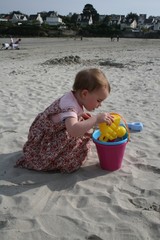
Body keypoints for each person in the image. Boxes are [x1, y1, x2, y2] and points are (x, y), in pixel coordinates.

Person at [16, 68, 113, 173]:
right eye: (99, 100)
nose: (100, 105)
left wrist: (81, 116)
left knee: (85, 124)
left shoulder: (75, 97)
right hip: (45, 140)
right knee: (77, 152)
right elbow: (73, 130)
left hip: (50, 131)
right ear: (84, 94)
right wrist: (96, 119)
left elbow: (66, 117)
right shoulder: (70, 106)